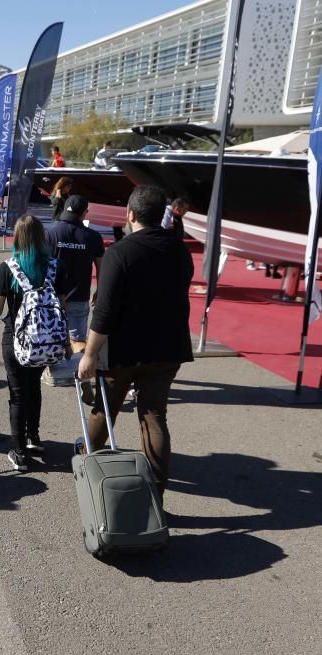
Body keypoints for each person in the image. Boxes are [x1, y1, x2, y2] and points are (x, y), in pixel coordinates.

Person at [78, 185, 194, 500]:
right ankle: (156, 492)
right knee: (154, 416)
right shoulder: (179, 250)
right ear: (162, 216)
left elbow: (104, 312)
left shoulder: (120, 252)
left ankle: (88, 467)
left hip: (124, 350)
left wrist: (89, 355)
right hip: (167, 347)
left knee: (104, 410)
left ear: (130, 214)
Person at [0, 215, 68, 471]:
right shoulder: (55, 267)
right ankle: (33, 437)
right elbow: (62, 305)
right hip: (45, 341)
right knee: (34, 388)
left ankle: (18, 452)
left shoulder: (9, 268)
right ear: (42, 237)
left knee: (17, 395)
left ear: (17, 238)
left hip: (15, 340)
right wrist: (66, 339)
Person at [46, 194, 104, 357]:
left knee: (51, 336)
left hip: (53, 296)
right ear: (85, 212)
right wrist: (99, 291)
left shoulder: (51, 233)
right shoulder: (93, 237)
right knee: (78, 339)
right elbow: (101, 268)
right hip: (79, 296)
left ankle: (55, 372)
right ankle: (79, 373)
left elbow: (42, 265)